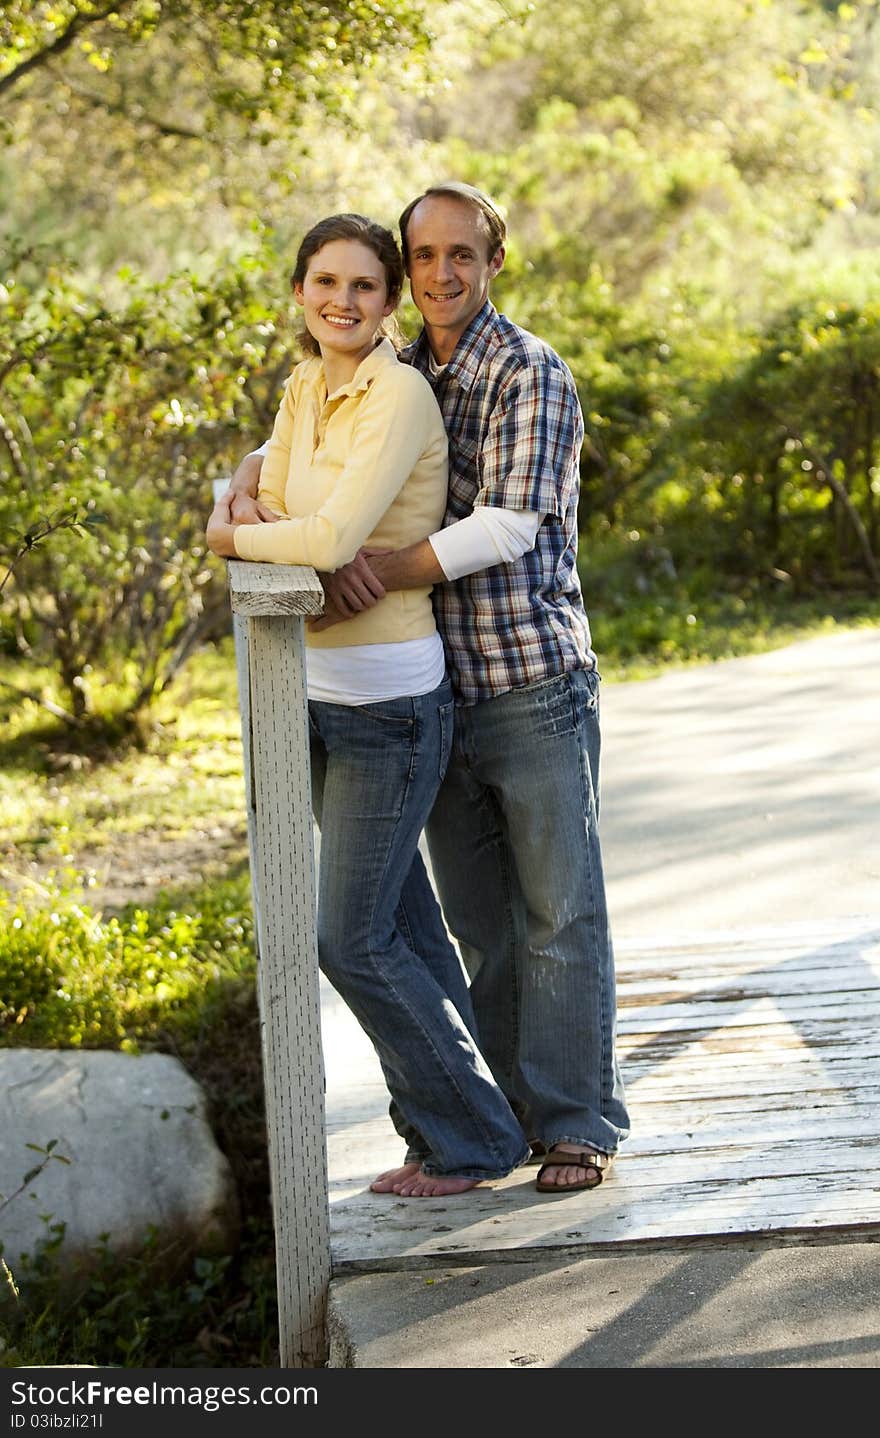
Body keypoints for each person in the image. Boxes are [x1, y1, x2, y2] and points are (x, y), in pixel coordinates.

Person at [224, 185, 630, 1196]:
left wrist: (369, 567)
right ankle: (499, 1119)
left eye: (463, 254)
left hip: (529, 677)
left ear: (494, 261)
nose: (443, 273)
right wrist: (242, 487)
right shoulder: (399, 367)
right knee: (478, 923)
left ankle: (576, 1126)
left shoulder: (526, 368)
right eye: (426, 256)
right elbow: (303, 456)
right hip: (441, 678)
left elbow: (507, 524)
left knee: (558, 911)